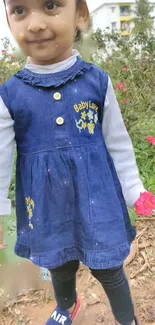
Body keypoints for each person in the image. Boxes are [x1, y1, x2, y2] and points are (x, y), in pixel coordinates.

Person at [0, 0, 150, 324]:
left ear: (81, 15)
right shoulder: (9, 95)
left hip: (98, 201)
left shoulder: (97, 81)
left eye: (51, 5)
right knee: (59, 263)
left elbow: (119, 143)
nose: (36, 23)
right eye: (20, 10)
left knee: (109, 267)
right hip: (45, 205)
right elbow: (0, 159)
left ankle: (127, 319)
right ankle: (66, 306)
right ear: (8, 20)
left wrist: (135, 189)